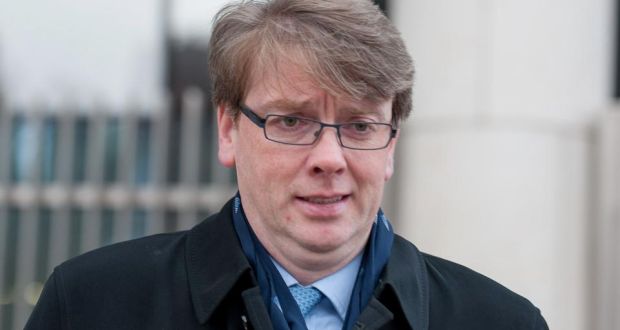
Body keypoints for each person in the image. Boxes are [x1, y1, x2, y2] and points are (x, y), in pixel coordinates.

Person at [26, 0, 548, 329]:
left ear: (390, 146)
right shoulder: (92, 305)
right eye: (292, 122)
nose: (329, 159)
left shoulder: (502, 320)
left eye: (360, 126)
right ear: (229, 130)